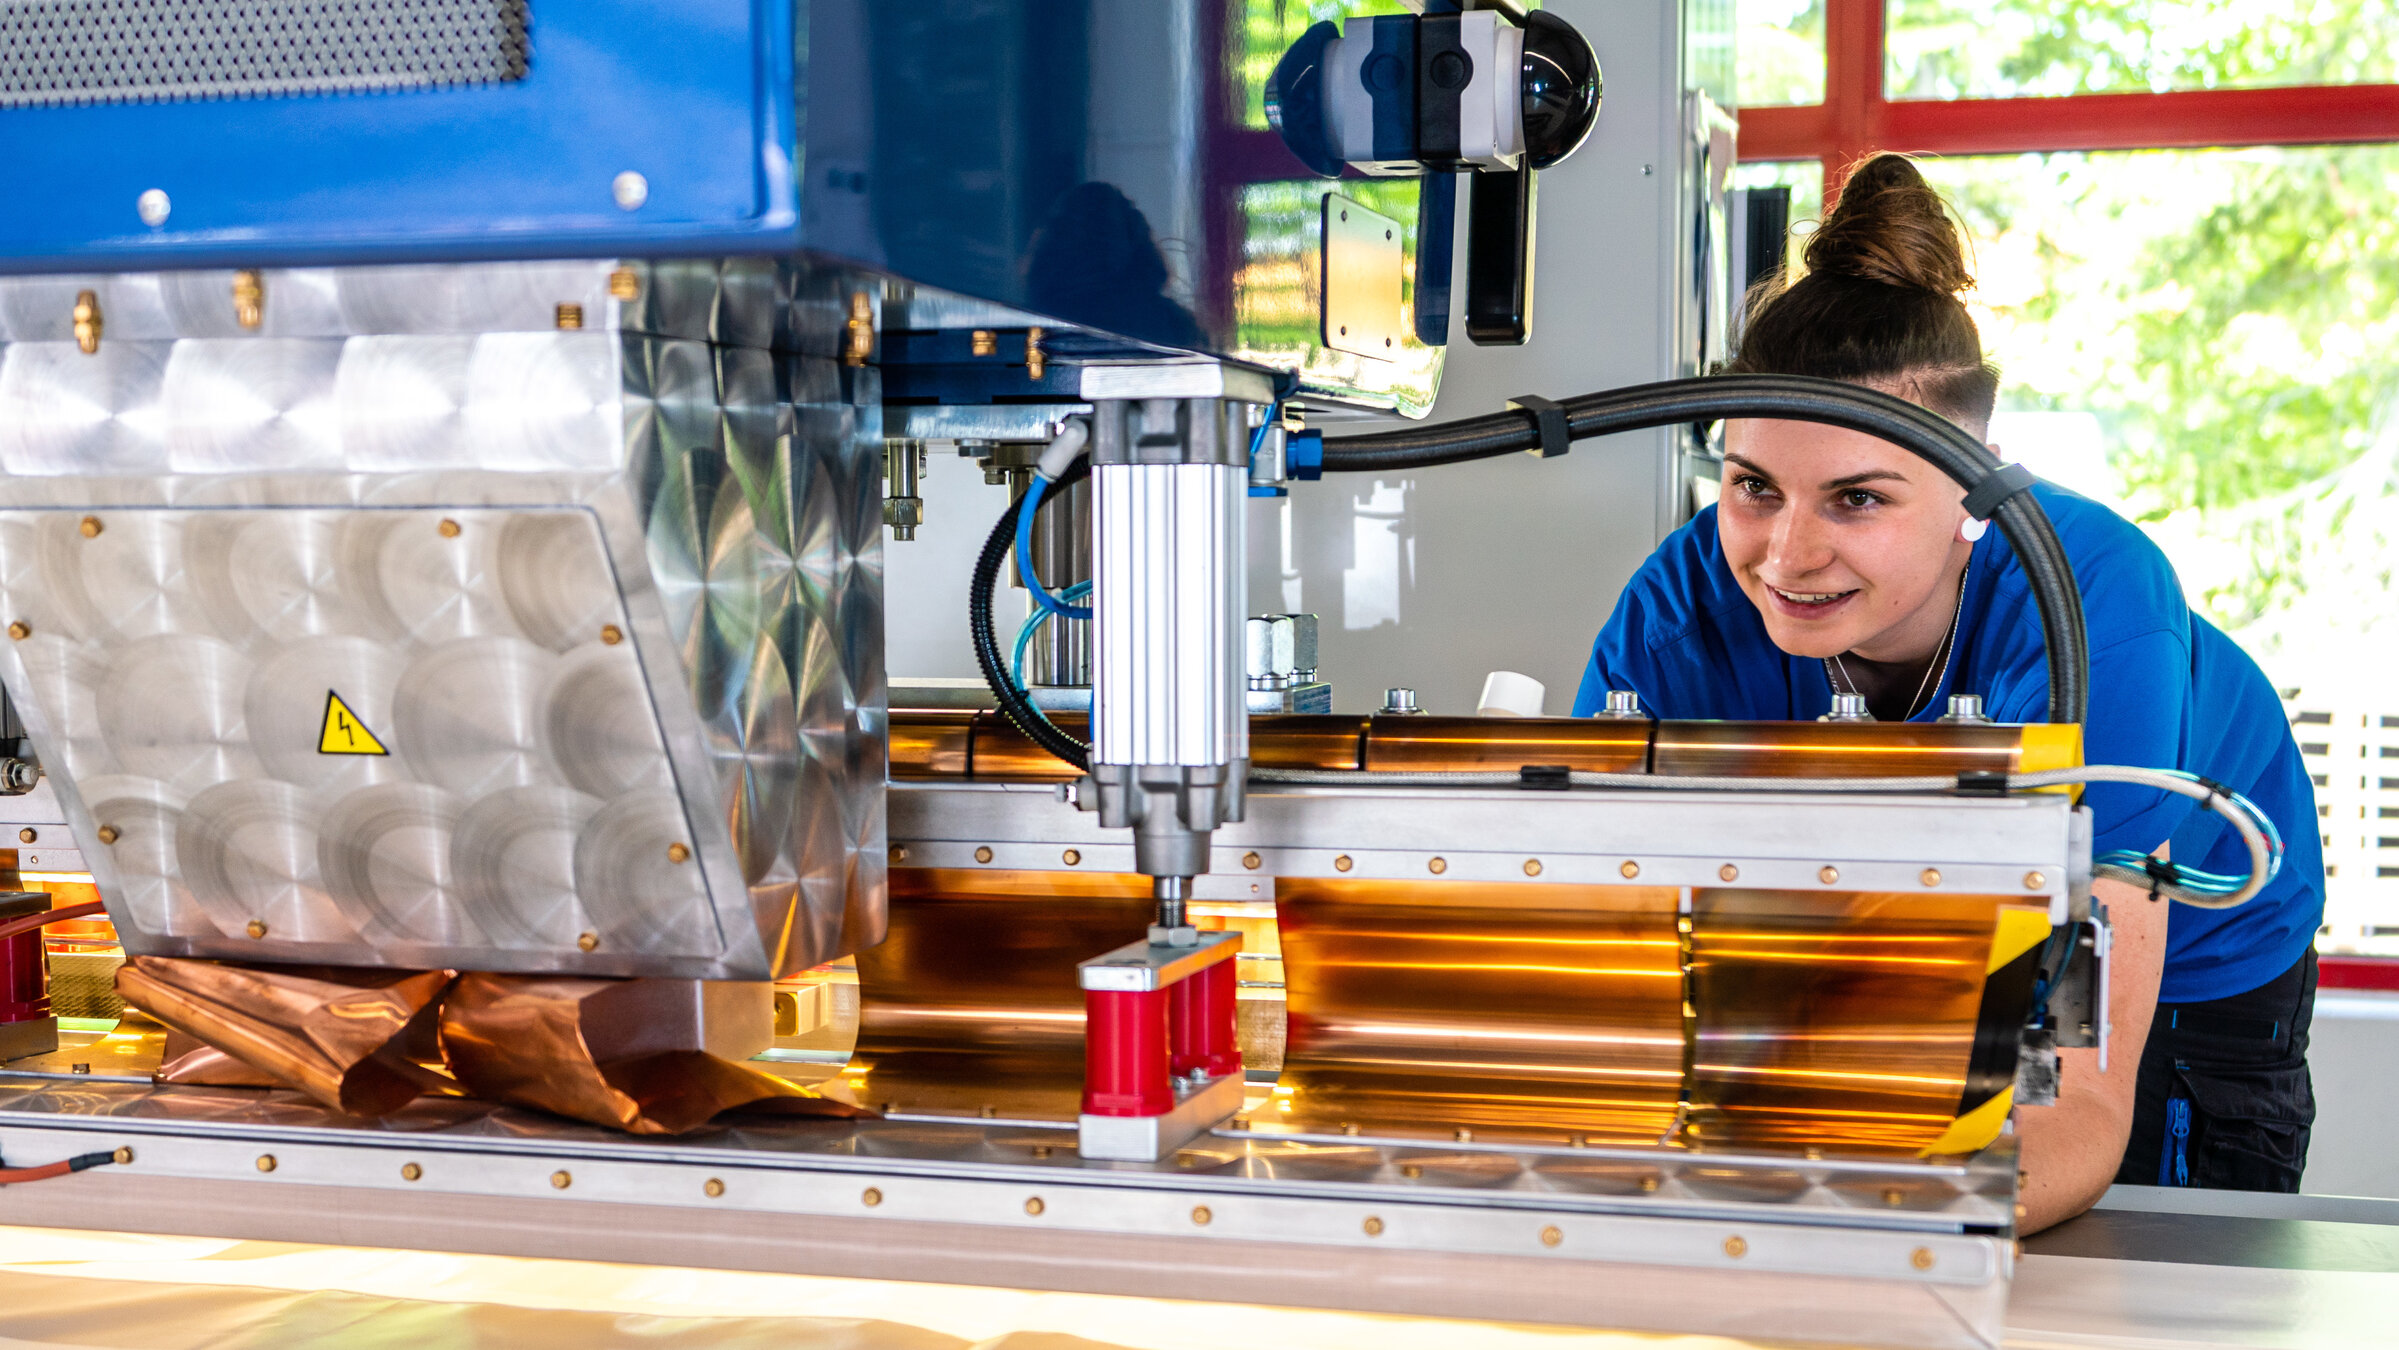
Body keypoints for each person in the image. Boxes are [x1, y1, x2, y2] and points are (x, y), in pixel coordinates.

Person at [1574, 153, 2324, 1232]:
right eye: (1753, 487)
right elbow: (1606, 932)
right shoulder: (1679, 612)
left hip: (2188, 968)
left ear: (1975, 489)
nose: (1785, 555)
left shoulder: (2089, 609)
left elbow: (2073, 1101)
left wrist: (1830, 1233)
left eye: (1855, 498)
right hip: (1872, 941)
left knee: (2121, 1267)